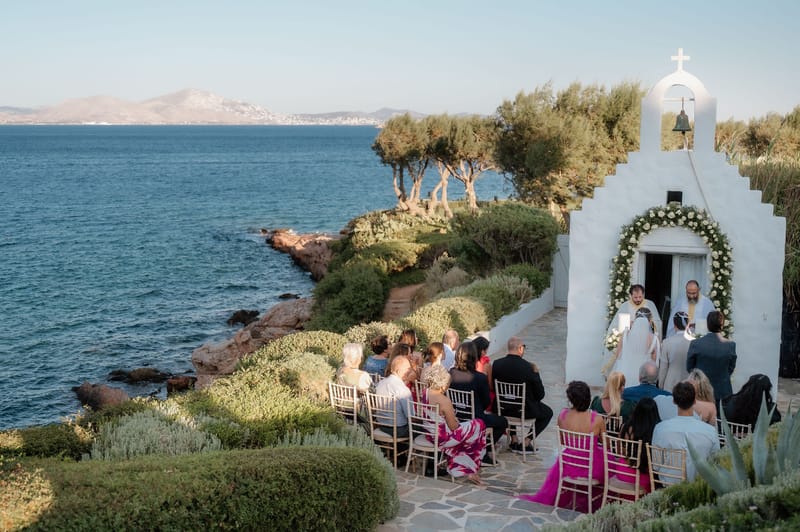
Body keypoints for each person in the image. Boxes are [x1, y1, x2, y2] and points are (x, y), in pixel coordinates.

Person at [520, 381, 605, 513]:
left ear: (571, 399)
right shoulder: (597, 419)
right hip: (590, 465)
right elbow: (605, 445)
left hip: (568, 463)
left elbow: (563, 442)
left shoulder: (563, 416)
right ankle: (592, 502)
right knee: (610, 465)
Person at [421, 364, 487, 485]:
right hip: (443, 438)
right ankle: (469, 467)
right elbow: (453, 427)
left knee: (471, 429)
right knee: (479, 425)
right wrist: (456, 421)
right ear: (443, 384)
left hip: (430, 434)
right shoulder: (444, 400)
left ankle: (464, 464)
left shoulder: (425, 392)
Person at [448, 341, 508, 464]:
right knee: (503, 422)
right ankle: (483, 452)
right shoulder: (480, 378)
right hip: (475, 420)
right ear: (474, 357)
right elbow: (486, 401)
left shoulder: (450, 374)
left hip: (455, 416)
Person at [491, 336, 553, 453]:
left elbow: (494, 388)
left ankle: (514, 439)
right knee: (548, 413)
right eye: (524, 347)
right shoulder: (529, 368)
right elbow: (540, 394)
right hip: (524, 411)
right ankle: (526, 441)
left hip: (502, 409)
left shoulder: (497, 364)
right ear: (520, 348)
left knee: (510, 403)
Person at [651, 382, 720, 483]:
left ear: (674, 401)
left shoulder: (660, 428)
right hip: (698, 487)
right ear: (695, 401)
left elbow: (656, 465)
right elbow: (715, 461)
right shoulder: (710, 431)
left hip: (667, 486)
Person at [686, 311, 736, 405]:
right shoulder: (730, 345)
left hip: (700, 390)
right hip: (723, 391)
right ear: (722, 325)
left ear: (708, 325)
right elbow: (731, 368)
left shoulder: (696, 344)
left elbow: (689, 368)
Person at [614, 397, 660, 495]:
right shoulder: (654, 432)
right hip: (642, 476)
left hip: (622, 471)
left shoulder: (625, 427)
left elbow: (618, 452)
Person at [611, 312, 660, 388]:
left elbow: (618, 355)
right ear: (649, 322)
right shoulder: (653, 338)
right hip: (643, 374)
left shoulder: (626, 334)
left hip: (626, 370)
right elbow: (654, 360)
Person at [375, 355, 414, 438]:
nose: (410, 372)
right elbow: (410, 416)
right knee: (426, 430)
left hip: (381, 425)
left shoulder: (380, 383)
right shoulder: (403, 390)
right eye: (408, 369)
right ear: (399, 371)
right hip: (398, 429)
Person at [658, 312, 692, 391]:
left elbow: (663, 368)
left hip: (671, 384)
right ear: (688, 324)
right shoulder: (694, 342)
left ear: (674, 325)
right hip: (689, 384)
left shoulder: (667, 342)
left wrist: (660, 385)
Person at [471, 335, 494, 408]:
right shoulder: (487, 365)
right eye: (486, 349)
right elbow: (490, 386)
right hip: (482, 399)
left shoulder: (467, 362)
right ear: (482, 351)